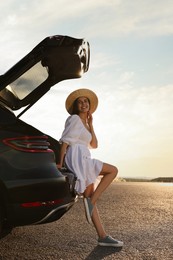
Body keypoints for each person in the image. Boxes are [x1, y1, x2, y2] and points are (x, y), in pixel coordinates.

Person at [57, 88, 123, 247]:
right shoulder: (73, 119)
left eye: (86, 101)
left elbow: (94, 144)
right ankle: (92, 202)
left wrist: (91, 124)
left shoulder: (86, 123)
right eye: (80, 102)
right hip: (77, 157)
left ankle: (102, 236)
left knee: (88, 195)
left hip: (85, 155)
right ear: (76, 106)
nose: (83, 103)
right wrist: (60, 162)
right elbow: (65, 141)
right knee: (113, 170)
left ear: (89, 105)